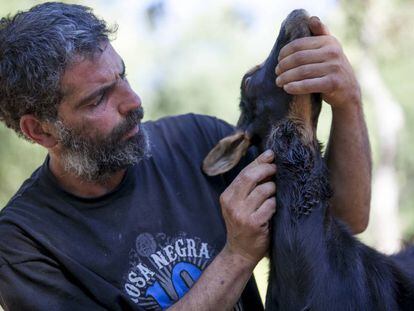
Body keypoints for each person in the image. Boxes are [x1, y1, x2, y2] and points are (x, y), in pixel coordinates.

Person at [0, 3, 371, 311]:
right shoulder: (24, 242)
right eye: (97, 99)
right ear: (40, 130)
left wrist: (347, 100)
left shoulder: (196, 140)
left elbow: (346, 218)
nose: (133, 103)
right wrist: (238, 255)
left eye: (123, 76)